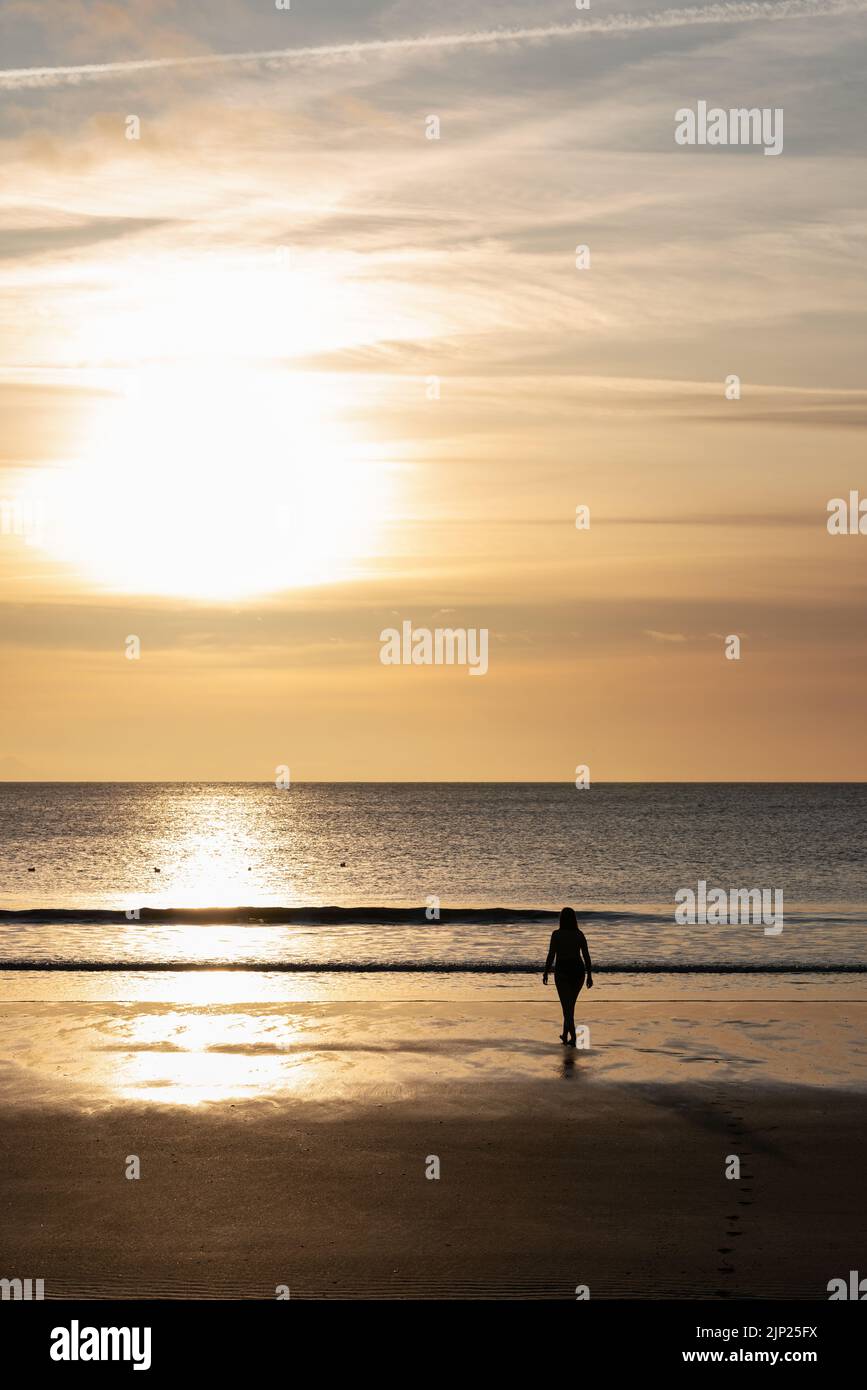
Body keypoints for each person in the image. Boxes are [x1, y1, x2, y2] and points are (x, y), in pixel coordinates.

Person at [543, 907, 593, 1045]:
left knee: (567, 1007)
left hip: (563, 971)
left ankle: (574, 1038)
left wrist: (546, 971)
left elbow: (551, 955)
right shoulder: (579, 934)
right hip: (578, 971)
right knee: (569, 1006)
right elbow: (586, 956)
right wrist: (589, 975)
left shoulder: (556, 934)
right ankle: (565, 1035)